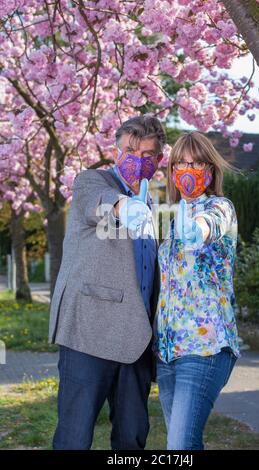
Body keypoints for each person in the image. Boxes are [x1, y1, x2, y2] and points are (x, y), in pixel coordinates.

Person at [48, 115, 165, 450]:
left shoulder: (151, 203)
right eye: (129, 150)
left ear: (157, 160)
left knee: (132, 439)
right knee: (75, 436)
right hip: (89, 333)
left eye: (146, 155)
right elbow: (97, 205)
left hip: (137, 339)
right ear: (117, 150)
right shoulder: (91, 182)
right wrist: (123, 207)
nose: (136, 159)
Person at [153, 131, 241, 450]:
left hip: (205, 347)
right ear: (172, 170)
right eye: (181, 162)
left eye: (197, 162)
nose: (188, 169)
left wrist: (198, 228)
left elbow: (211, 224)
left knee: (180, 446)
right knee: (184, 446)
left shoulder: (221, 207)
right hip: (167, 353)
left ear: (210, 168)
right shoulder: (169, 219)